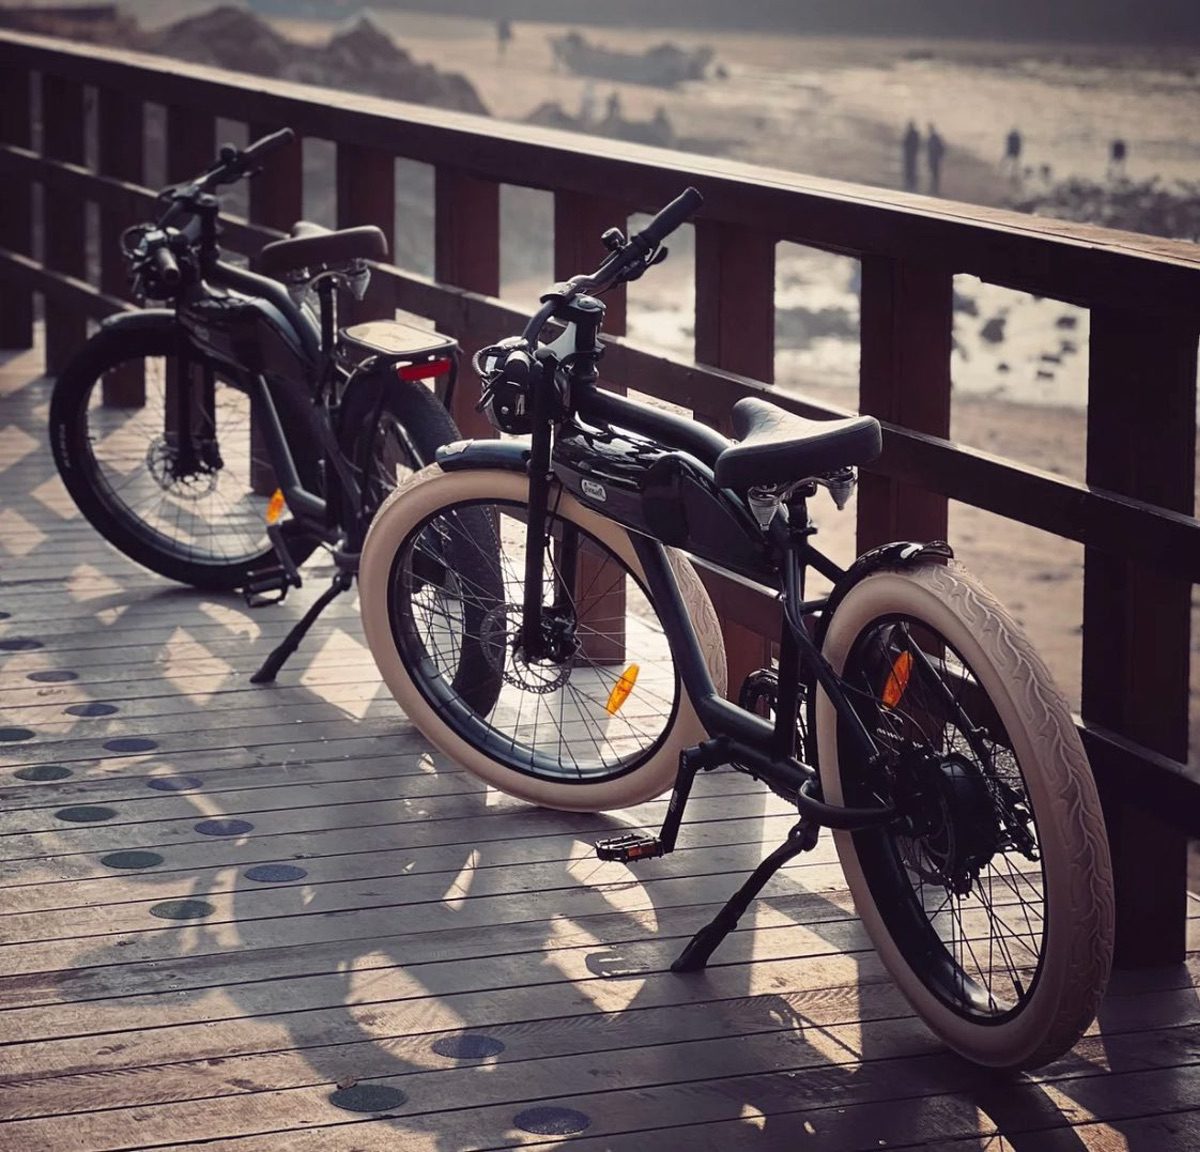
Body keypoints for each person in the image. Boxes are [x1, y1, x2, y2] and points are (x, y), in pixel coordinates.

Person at [901, 120, 920, 192]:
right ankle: (911, 183)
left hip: (910, 155)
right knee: (911, 169)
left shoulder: (910, 133)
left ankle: (910, 183)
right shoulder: (915, 134)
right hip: (912, 155)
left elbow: (904, 143)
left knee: (910, 169)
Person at [927, 123, 945, 196]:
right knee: (934, 175)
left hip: (935, 159)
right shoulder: (933, 137)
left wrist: (939, 156)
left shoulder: (934, 138)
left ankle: (934, 189)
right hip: (933, 159)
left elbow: (941, 148)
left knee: (934, 175)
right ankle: (934, 189)